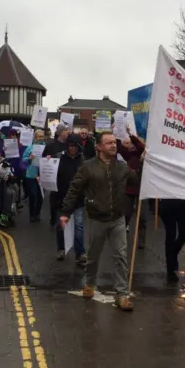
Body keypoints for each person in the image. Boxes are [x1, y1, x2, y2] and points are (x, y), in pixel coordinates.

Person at [60, 132, 141, 312]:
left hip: (118, 218)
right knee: (93, 256)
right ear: (99, 147)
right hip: (97, 218)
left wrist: (145, 164)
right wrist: (66, 211)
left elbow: (138, 180)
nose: (113, 146)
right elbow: (74, 189)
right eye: (109, 143)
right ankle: (89, 282)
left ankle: (122, 294)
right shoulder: (88, 167)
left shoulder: (122, 167)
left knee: (120, 256)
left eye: (114, 143)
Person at [54, 134, 87, 263]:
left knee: (78, 226)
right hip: (60, 196)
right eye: (70, 145)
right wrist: (47, 163)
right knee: (60, 225)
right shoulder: (58, 157)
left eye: (74, 146)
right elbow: (49, 171)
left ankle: (80, 252)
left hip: (77, 198)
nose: (72, 148)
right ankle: (61, 249)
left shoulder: (83, 160)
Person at [116, 127, 146, 248]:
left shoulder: (142, 154)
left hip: (142, 189)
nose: (132, 146)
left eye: (133, 143)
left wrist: (131, 135)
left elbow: (140, 146)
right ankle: (121, 236)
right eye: (131, 144)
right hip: (129, 189)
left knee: (142, 217)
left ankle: (141, 240)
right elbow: (120, 147)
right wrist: (117, 134)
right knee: (126, 214)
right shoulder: (130, 156)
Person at [158, 199, 185, 283]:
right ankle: (171, 269)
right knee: (171, 234)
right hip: (167, 204)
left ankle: (172, 256)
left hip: (184, 203)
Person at [43, 124, 69, 226]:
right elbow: (44, 158)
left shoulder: (68, 144)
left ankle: (63, 215)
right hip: (54, 174)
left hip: (65, 174)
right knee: (54, 196)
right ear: (61, 132)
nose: (67, 132)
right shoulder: (51, 145)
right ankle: (53, 215)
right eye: (65, 131)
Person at [22, 129, 46, 222]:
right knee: (33, 195)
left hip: (43, 174)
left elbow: (51, 157)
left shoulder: (46, 147)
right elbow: (23, 159)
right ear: (35, 137)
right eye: (39, 136)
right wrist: (29, 158)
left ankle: (37, 213)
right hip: (31, 174)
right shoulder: (30, 147)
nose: (40, 138)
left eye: (42, 136)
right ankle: (32, 214)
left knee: (40, 196)